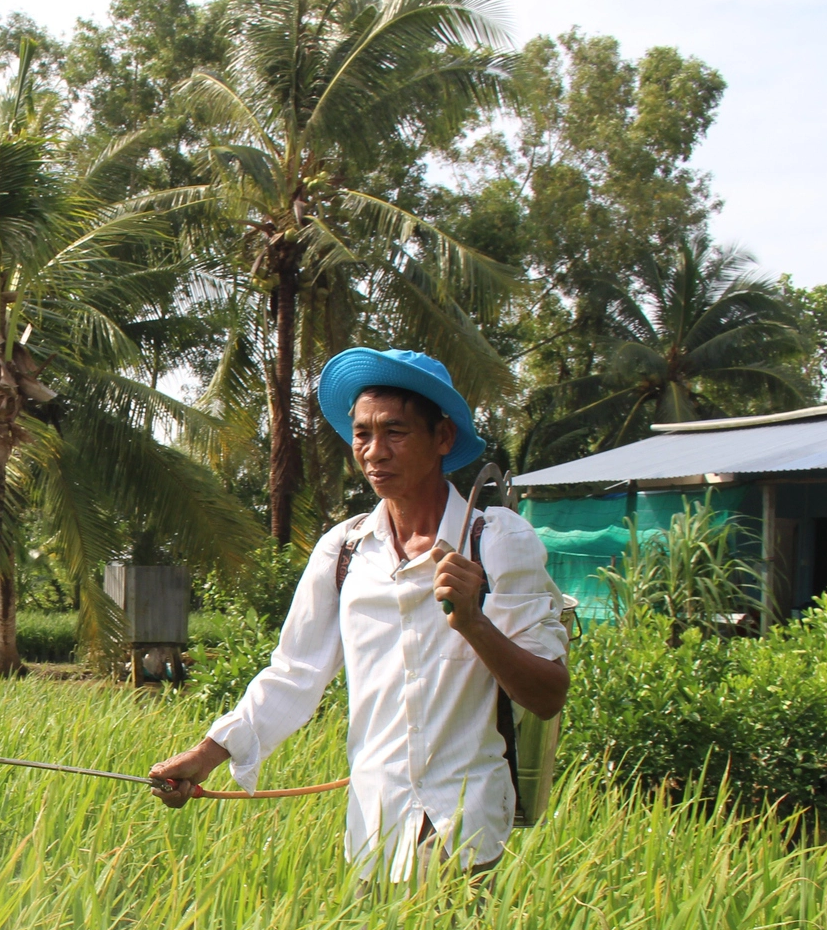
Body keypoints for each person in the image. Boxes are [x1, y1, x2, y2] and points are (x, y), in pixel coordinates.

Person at [150, 348, 569, 880]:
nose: (375, 452)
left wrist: (473, 622)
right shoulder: (344, 550)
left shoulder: (497, 540)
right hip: (373, 831)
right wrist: (204, 756)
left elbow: (548, 693)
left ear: (442, 438)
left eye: (395, 432)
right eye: (362, 434)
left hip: (464, 829)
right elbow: (294, 673)